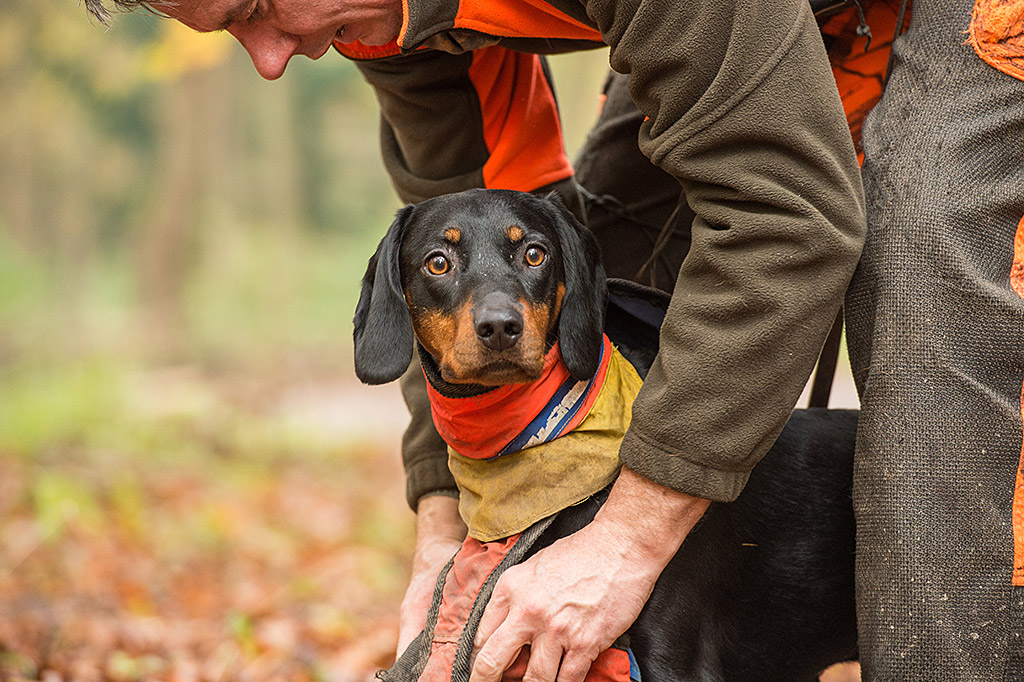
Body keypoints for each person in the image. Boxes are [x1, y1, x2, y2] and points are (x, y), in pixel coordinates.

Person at [82, 0, 867, 679]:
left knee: (931, 510)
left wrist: (627, 540)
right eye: (229, 34)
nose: (271, 60)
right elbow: (487, 214)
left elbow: (788, 218)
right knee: (603, 319)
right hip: (730, 30)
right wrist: (444, 534)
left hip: (955, 22)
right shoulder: (377, 29)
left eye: (254, 8)